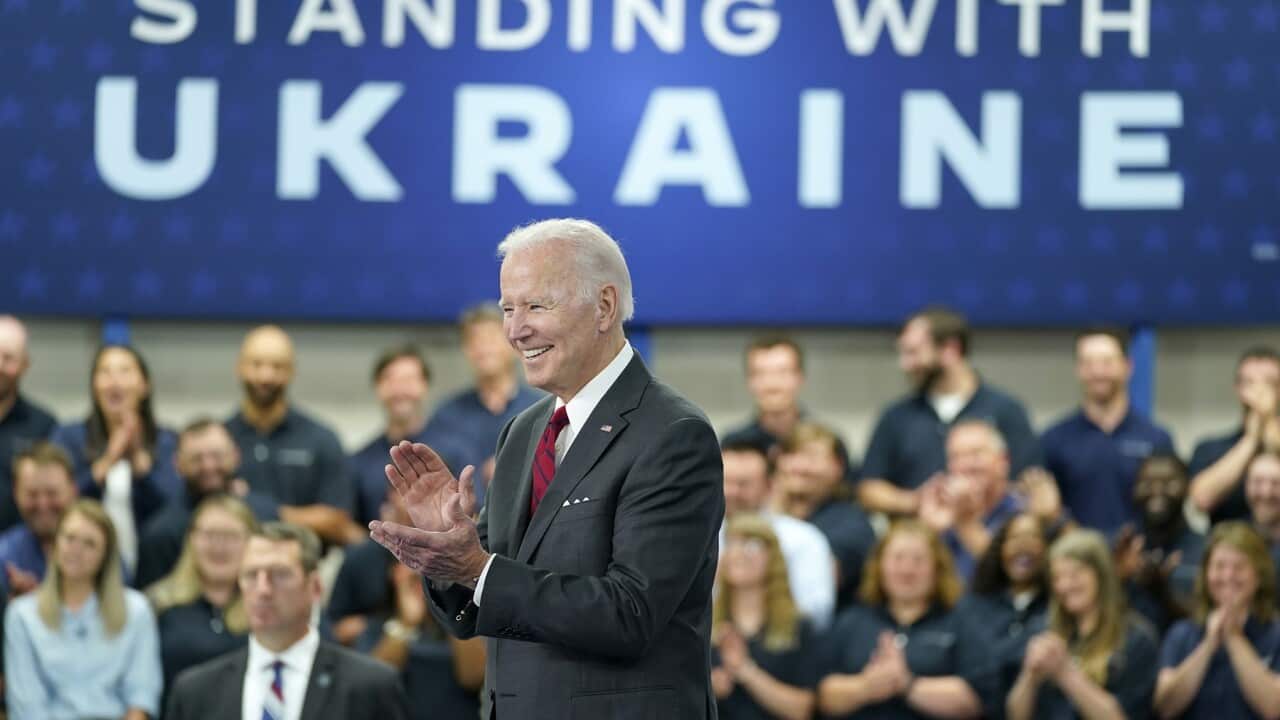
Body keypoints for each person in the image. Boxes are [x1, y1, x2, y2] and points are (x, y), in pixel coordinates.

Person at [369, 218, 724, 718]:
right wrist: (451, 552)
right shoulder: (524, 432)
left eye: (536, 305)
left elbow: (631, 614)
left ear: (604, 306)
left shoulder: (672, 433)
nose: (516, 331)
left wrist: (479, 569)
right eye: (508, 309)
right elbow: (479, 607)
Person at [164, 522, 410, 719]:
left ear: (315, 587)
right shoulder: (195, 691)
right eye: (251, 575)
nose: (262, 589)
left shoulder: (370, 686)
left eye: (279, 575)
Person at [859, 306, 1042, 517]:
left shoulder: (1007, 410)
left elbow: (1030, 482)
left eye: (913, 352)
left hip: (990, 538)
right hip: (922, 539)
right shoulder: (896, 416)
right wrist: (916, 501)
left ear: (950, 349)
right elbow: (868, 488)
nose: (905, 364)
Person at [3, 499, 162, 719]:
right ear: (55, 544)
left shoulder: (137, 611)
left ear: (106, 555)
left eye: (90, 544)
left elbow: (141, 697)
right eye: (69, 538)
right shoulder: (22, 615)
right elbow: (27, 706)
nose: (76, 550)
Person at [815, 520, 987, 720]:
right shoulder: (851, 621)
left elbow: (977, 701)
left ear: (937, 569)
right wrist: (865, 687)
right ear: (879, 566)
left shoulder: (962, 622)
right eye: (897, 558)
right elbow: (821, 696)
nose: (907, 570)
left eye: (918, 560)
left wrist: (907, 685)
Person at [51, 344, 180, 577]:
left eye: (124, 371)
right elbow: (56, 505)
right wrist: (108, 460)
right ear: (93, 386)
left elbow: (175, 511)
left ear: (145, 385)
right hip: (81, 571)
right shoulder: (68, 437)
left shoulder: (168, 441)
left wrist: (139, 464)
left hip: (155, 570)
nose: (114, 381)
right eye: (105, 372)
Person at [225, 325, 361, 545]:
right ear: (239, 367)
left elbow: (338, 521)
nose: (266, 376)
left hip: (301, 570)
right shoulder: (221, 439)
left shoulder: (321, 439)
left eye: (277, 366)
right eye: (256, 364)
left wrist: (264, 511)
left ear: (291, 371)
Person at [1006, 529, 1159, 720]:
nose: (1065, 585)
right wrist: (1029, 676)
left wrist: (1065, 673)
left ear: (1101, 575)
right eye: (1057, 577)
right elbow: (1015, 715)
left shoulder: (1137, 640)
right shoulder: (1043, 629)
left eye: (1075, 574)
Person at [1041, 328, 1176, 533]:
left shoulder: (1157, 439)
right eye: (1088, 363)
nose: (1098, 372)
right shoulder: (1054, 440)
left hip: (1140, 558)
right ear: (1078, 369)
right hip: (1074, 559)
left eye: (1107, 362)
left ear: (1127, 366)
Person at [1154, 522, 1280, 720]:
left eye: (1239, 567)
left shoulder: (1275, 635)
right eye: (1219, 566)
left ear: (1258, 575)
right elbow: (1165, 706)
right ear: (1205, 574)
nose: (1228, 576)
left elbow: (1274, 707)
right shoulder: (1181, 634)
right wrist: (1208, 645)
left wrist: (1234, 638)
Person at [135, 418, 279, 588]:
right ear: (178, 464)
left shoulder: (266, 516)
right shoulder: (159, 535)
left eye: (217, 456)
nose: (208, 466)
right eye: (196, 459)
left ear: (236, 456)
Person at [424, 304, 543, 507]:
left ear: (514, 346)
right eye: (474, 340)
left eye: (491, 338)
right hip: (464, 524)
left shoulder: (541, 410)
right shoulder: (445, 415)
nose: (482, 347)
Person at [919, 420, 1063, 582]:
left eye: (976, 454)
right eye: (956, 457)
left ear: (1003, 461)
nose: (965, 465)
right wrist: (928, 532)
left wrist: (965, 524)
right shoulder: (941, 515)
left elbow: (1015, 577)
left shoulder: (1028, 509)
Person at [146, 494, 258, 701]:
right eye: (209, 534)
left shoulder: (267, 607)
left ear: (252, 542)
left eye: (231, 536)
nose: (219, 546)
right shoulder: (156, 604)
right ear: (191, 539)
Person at [712, 514, 819, 720]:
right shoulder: (704, 624)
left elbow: (802, 709)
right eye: (732, 544)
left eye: (751, 544)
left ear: (773, 557)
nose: (738, 553)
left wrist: (746, 670)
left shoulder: (797, 626)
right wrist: (708, 688)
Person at [722, 439, 836, 629]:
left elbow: (817, 612)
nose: (732, 492)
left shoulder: (803, 539)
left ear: (770, 485)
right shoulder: (696, 536)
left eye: (743, 484)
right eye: (725, 482)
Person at [349, 345, 468, 526]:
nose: (400, 390)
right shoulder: (359, 461)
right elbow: (350, 527)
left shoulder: (457, 451)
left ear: (425, 385)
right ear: (377, 387)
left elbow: (475, 515)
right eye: (391, 380)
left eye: (408, 380)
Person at [958, 513, 1055, 717]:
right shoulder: (973, 606)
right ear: (1000, 549)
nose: (1023, 546)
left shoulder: (1059, 609)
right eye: (1014, 538)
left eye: (1033, 537)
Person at [771, 423, 875, 608]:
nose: (799, 466)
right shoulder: (763, 515)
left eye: (811, 457)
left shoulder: (852, 523)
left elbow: (817, 583)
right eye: (790, 454)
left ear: (838, 467)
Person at [1188, 346, 1280, 523]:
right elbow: (1201, 499)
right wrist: (1251, 440)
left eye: (1269, 383)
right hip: (1229, 546)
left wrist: (1269, 429)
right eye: (1250, 383)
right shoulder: (1210, 448)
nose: (1259, 392)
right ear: (1238, 388)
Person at [1115, 454, 1204, 633]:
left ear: (1187, 486)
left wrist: (1162, 593)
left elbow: (1207, 621)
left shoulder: (1206, 550)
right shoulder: (1120, 548)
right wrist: (1117, 576)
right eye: (1147, 483)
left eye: (1169, 483)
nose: (1156, 491)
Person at [0, 315, 58, 533]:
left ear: (25, 365)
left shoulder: (44, 425)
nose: (0, 365)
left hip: (19, 555)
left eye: (9, 358)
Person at [0, 442, 78, 592]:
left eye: (52, 493)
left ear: (73, 490)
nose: (43, 505)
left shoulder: (98, 548)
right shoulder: (5, 555)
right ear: (16, 494)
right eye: (32, 494)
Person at [1244, 451, 1280, 580]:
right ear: (1246, 486)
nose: (1266, 493)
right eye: (1258, 482)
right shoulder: (1234, 540)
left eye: (1276, 483)